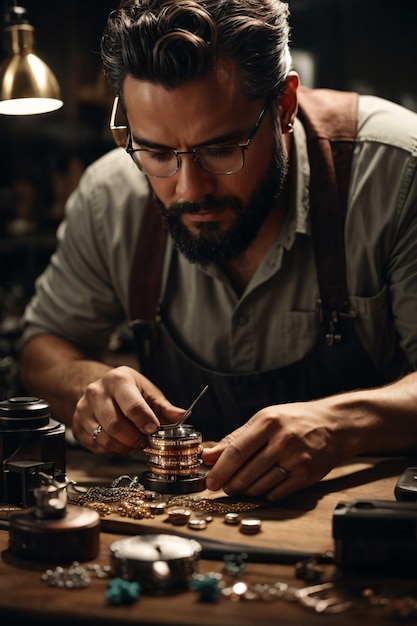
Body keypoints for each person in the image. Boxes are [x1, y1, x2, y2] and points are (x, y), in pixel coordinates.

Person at [19, 0, 417, 502]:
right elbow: (41, 349)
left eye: (221, 149)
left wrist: (345, 423)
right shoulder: (110, 196)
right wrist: (88, 385)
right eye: (158, 153)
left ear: (285, 106)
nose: (189, 190)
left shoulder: (397, 172)